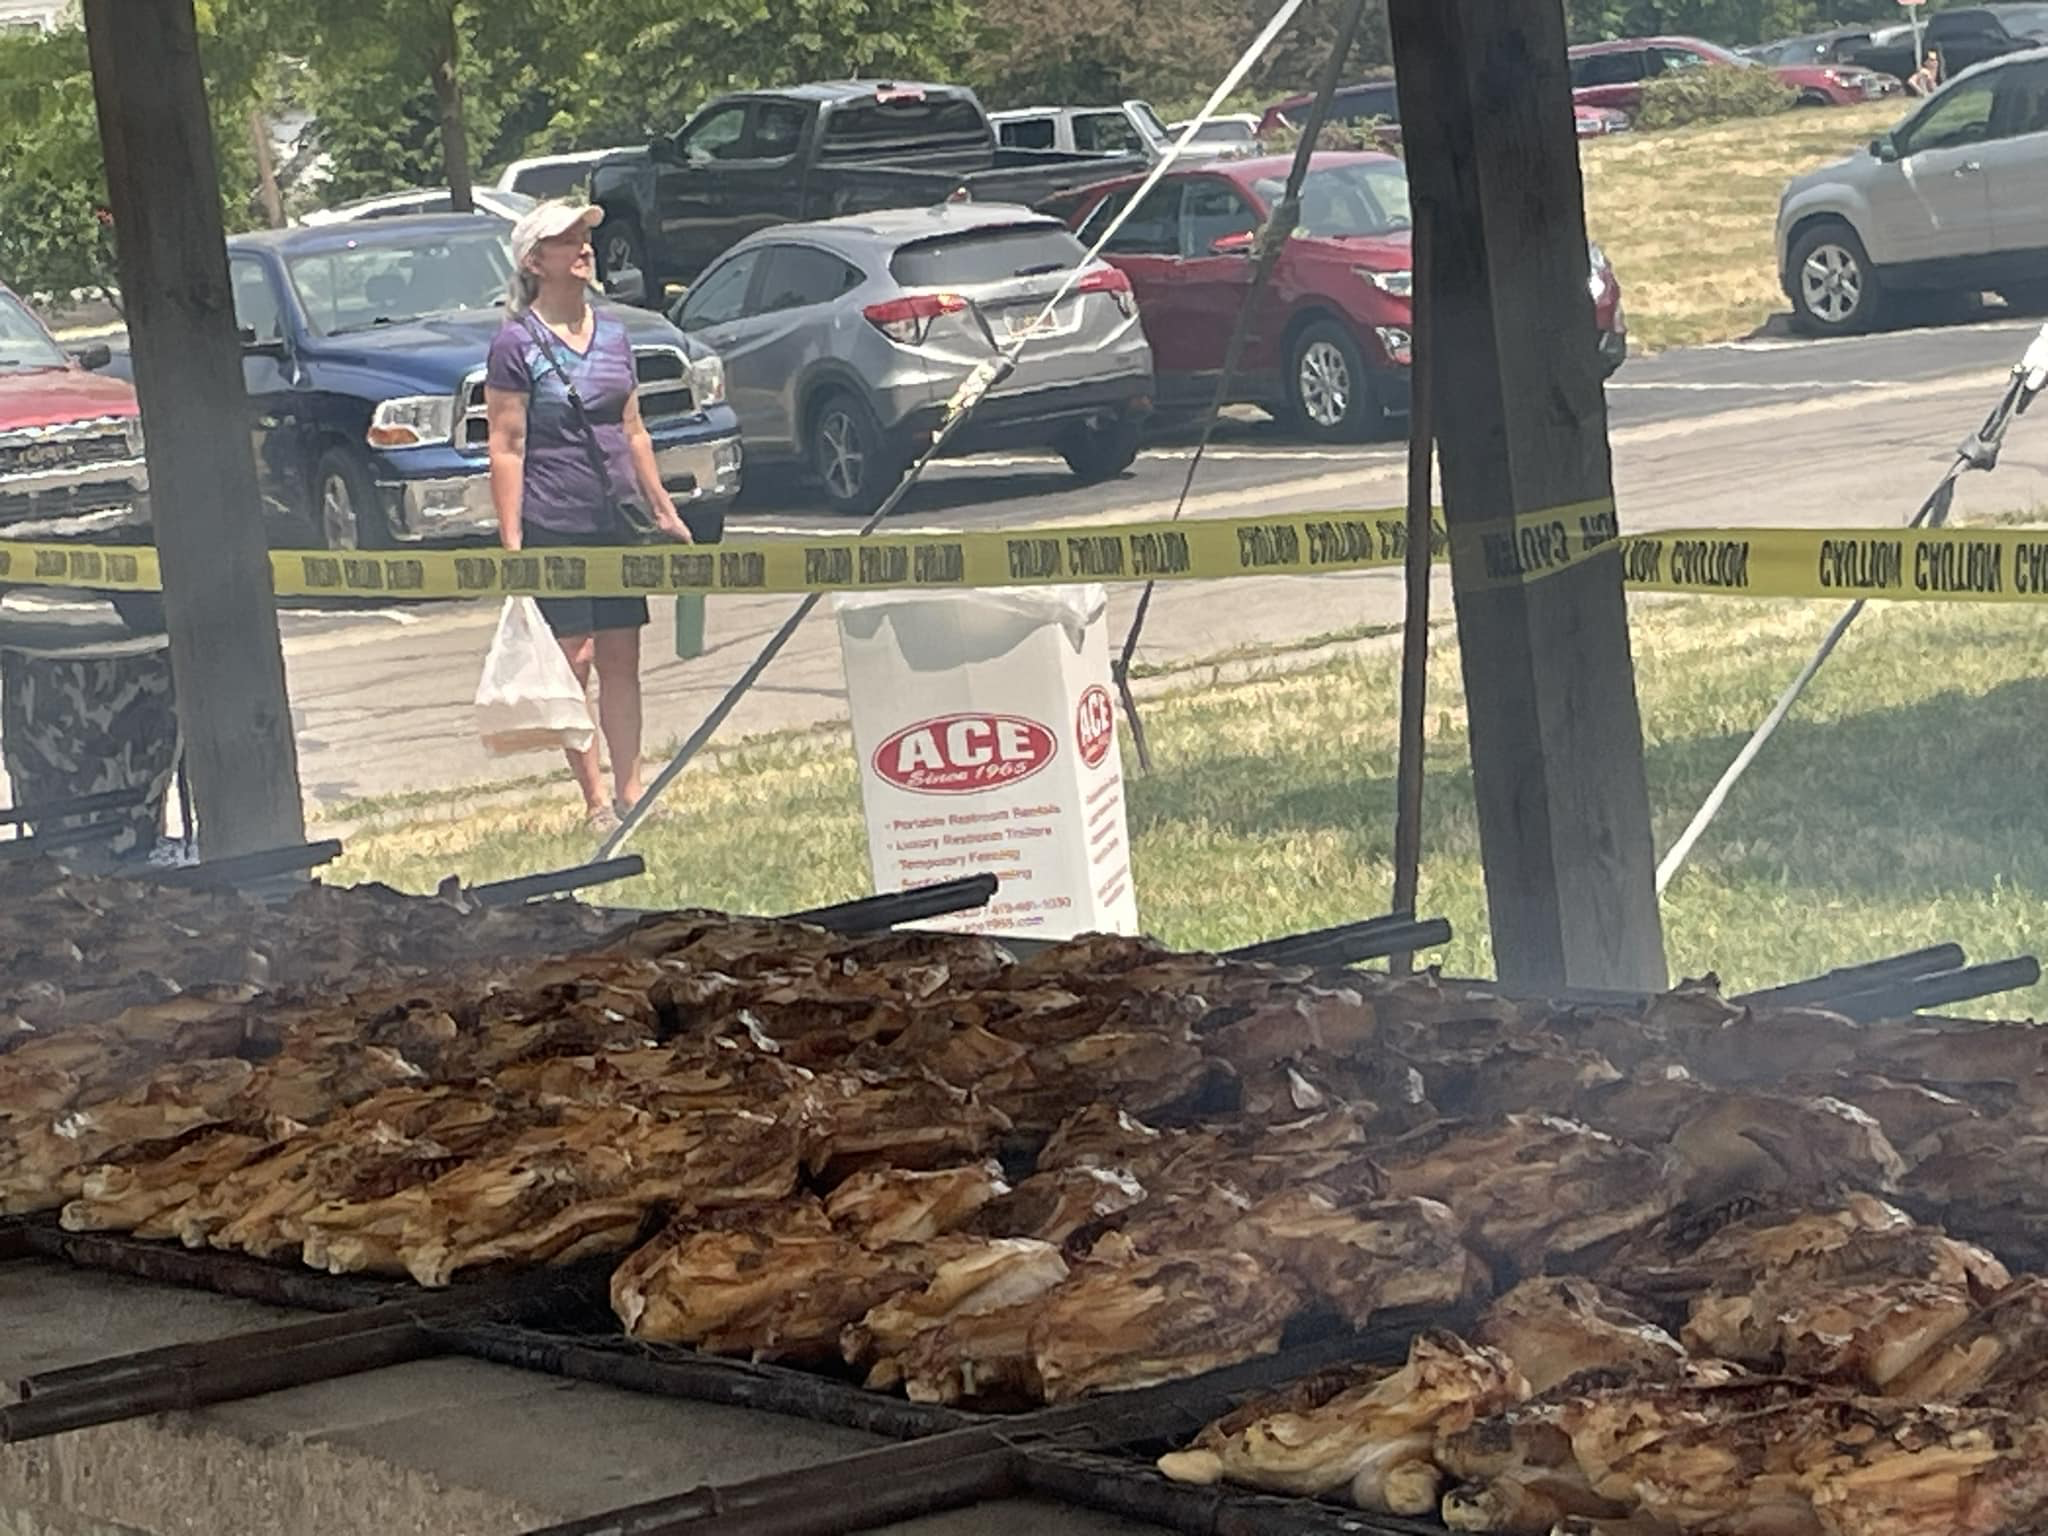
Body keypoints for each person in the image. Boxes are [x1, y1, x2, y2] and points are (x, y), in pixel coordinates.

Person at [485, 200, 692, 830]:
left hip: (616, 521)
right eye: (567, 240)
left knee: (621, 658)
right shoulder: (515, 343)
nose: (584, 247)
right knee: (572, 659)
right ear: (534, 261)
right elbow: (506, 444)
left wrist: (662, 508)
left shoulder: (615, 335)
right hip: (555, 518)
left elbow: (632, 430)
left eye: (585, 237)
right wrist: (514, 540)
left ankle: (634, 794)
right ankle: (596, 800)